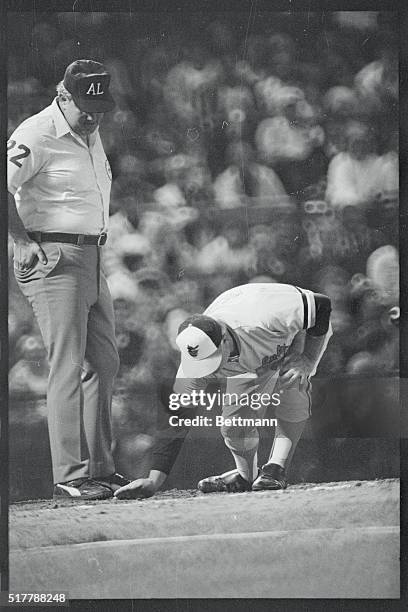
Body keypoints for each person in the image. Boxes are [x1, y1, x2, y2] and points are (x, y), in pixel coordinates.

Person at [8, 59, 130, 500]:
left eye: (99, 105)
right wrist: (20, 242)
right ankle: (71, 474)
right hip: (53, 253)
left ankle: (100, 466)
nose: (93, 113)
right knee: (68, 362)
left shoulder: (88, 132)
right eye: (84, 104)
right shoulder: (37, 132)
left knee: (105, 361)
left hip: (92, 255)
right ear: (62, 95)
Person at [115, 283, 332, 499]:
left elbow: (321, 304)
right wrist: (153, 480)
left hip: (292, 333)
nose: (212, 369)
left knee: (293, 379)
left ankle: (276, 468)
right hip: (250, 357)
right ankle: (246, 476)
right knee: (233, 426)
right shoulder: (195, 359)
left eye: (213, 360)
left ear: (225, 339)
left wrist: (307, 359)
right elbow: (177, 419)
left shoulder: (264, 315)